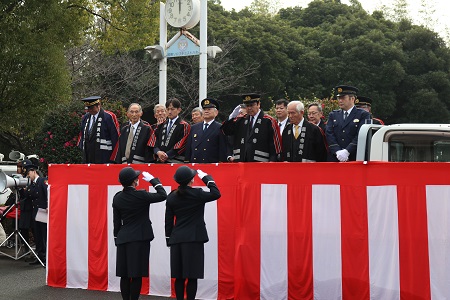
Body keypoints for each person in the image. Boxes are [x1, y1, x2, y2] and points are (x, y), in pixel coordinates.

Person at [165, 166, 221, 300]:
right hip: (194, 239)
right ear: (191, 180)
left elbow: (168, 221)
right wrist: (208, 179)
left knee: (179, 277)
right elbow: (216, 193)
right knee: (192, 276)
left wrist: (169, 239)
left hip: (177, 239)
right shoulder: (198, 194)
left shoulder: (172, 196)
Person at [113, 167, 167, 300]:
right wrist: (154, 181)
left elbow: (116, 222)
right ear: (134, 181)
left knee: (124, 275)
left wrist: (117, 237)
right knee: (136, 275)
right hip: (140, 238)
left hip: (123, 238)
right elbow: (162, 195)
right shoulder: (141, 195)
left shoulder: (117, 197)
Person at [221, 93, 282, 162]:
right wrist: (231, 118)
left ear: (258, 104)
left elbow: (275, 146)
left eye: (252, 105)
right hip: (242, 162)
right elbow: (226, 131)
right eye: (247, 106)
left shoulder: (268, 121)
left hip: (260, 162)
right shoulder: (241, 120)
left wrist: (272, 161)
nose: (249, 108)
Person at [326, 85, 371, 162]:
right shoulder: (333, 115)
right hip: (335, 157)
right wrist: (337, 151)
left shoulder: (362, 115)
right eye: (339, 98)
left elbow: (361, 135)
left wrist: (347, 151)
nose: (340, 101)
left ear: (352, 99)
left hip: (354, 157)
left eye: (343, 98)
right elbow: (329, 133)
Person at [184, 98, 229, 163]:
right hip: (195, 164)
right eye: (204, 109)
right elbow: (189, 147)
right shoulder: (194, 127)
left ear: (216, 113)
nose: (206, 111)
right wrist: (187, 161)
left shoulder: (220, 128)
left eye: (209, 109)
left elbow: (222, 149)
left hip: (211, 165)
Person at [77, 96, 120, 163]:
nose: (89, 110)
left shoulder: (109, 117)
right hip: (89, 156)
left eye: (92, 108)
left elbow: (116, 137)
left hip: (105, 156)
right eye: (88, 108)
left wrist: (114, 159)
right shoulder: (85, 118)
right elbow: (82, 135)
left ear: (98, 105)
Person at [22, 159, 48, 266]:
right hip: (36, 213)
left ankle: (46, 257)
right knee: (37, 235)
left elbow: (47, 194)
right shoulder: (31, 185)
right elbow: (28, 196)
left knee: (44, 235)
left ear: (33, 171)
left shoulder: (42, 181)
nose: (28, 176)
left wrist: (48, 206)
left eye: (28, 173)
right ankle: (39, 256)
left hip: (43, 211)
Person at [150, 98, 191, 163]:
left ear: (179, 110)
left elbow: (183, 143)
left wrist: (167, 155)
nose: (169, 112)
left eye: (172, 109)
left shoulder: (184, 125)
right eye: (168, 109)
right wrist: (157, 151)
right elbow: (154, 140)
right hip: (160, 160)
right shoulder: (161, 124)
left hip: (175, 161)